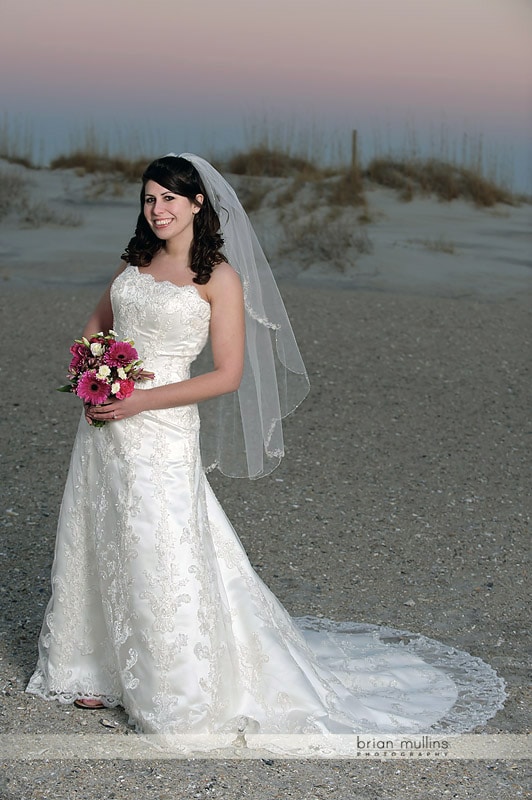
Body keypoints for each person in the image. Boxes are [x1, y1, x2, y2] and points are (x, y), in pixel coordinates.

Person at [26, 154, 505, 750]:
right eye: (149, 200)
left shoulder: (220, 278)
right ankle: (96, 668)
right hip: (105, 423)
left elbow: (227, 375)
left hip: (160, 426)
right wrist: (95, 371)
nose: (158, 210)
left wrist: (138, 400)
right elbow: (97, 323)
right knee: (99, 531)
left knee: (160, 541)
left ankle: (170, 687)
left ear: (198, 204)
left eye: (170, 199)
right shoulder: (137, 260)